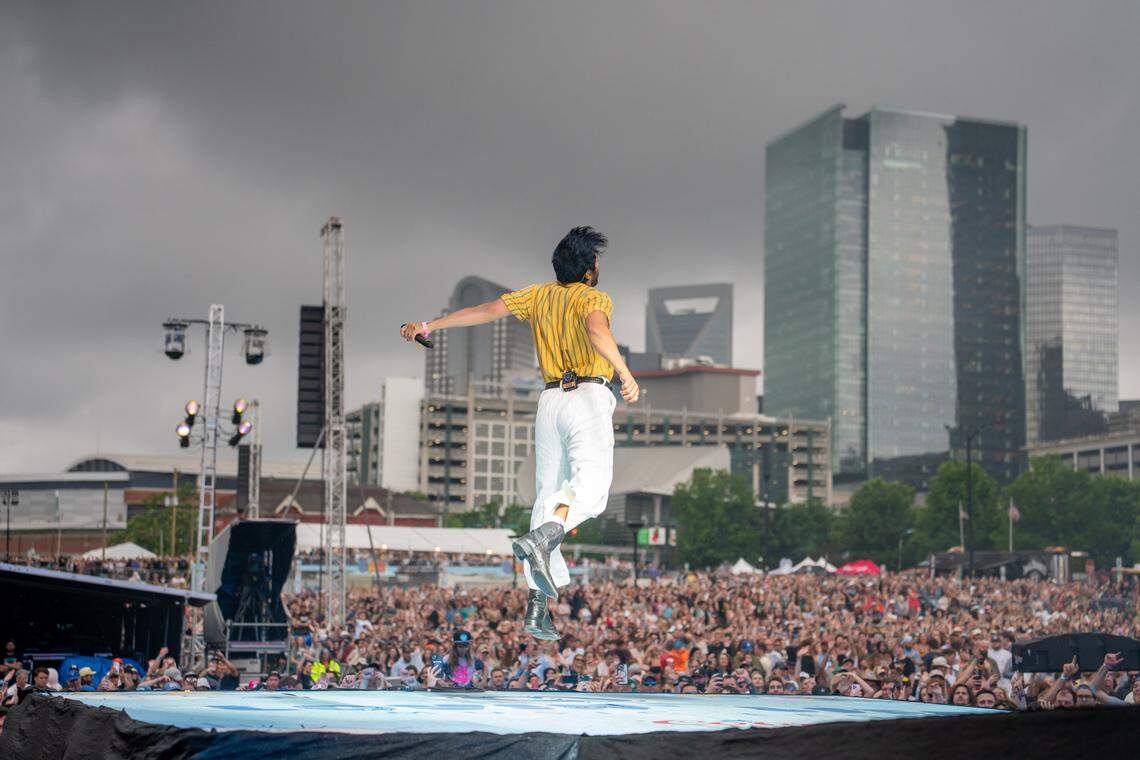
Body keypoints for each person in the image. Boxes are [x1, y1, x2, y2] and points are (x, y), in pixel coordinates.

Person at [401, 226, 639, 641]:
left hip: (550, 402)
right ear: (588, 270)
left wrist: (430, 324)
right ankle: (546, 539)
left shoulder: (538, 295)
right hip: (587, 396)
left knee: (548, 497)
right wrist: (625, 372)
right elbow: (598, 331)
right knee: (593, 492)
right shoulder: (593, 297)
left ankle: (537, 607)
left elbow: (487, 311)